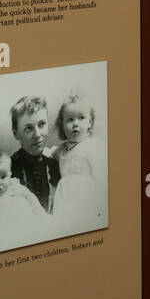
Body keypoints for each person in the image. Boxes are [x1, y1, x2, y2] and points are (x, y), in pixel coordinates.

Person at [0, 149, 51, 253]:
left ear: (10, 175)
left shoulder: (14, 186)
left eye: (3, 177)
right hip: (10, 232)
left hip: (30, 222)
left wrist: (42, 215)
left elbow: (30, 198)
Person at [49, 92, 107, 234]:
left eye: (81, 118)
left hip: (86, 197)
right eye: (70, 119)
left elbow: (102, 178)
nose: (75, 124)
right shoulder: (62, 150)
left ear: (90, 123)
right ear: (62, 125)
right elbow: (50, 152)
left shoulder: (94, 146)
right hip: (65, 197)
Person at [8, 96, 59, 212]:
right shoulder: (10, 167)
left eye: (41, 124)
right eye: (28, 128)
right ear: (16, 133)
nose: (37, 134)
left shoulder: (56, 160)